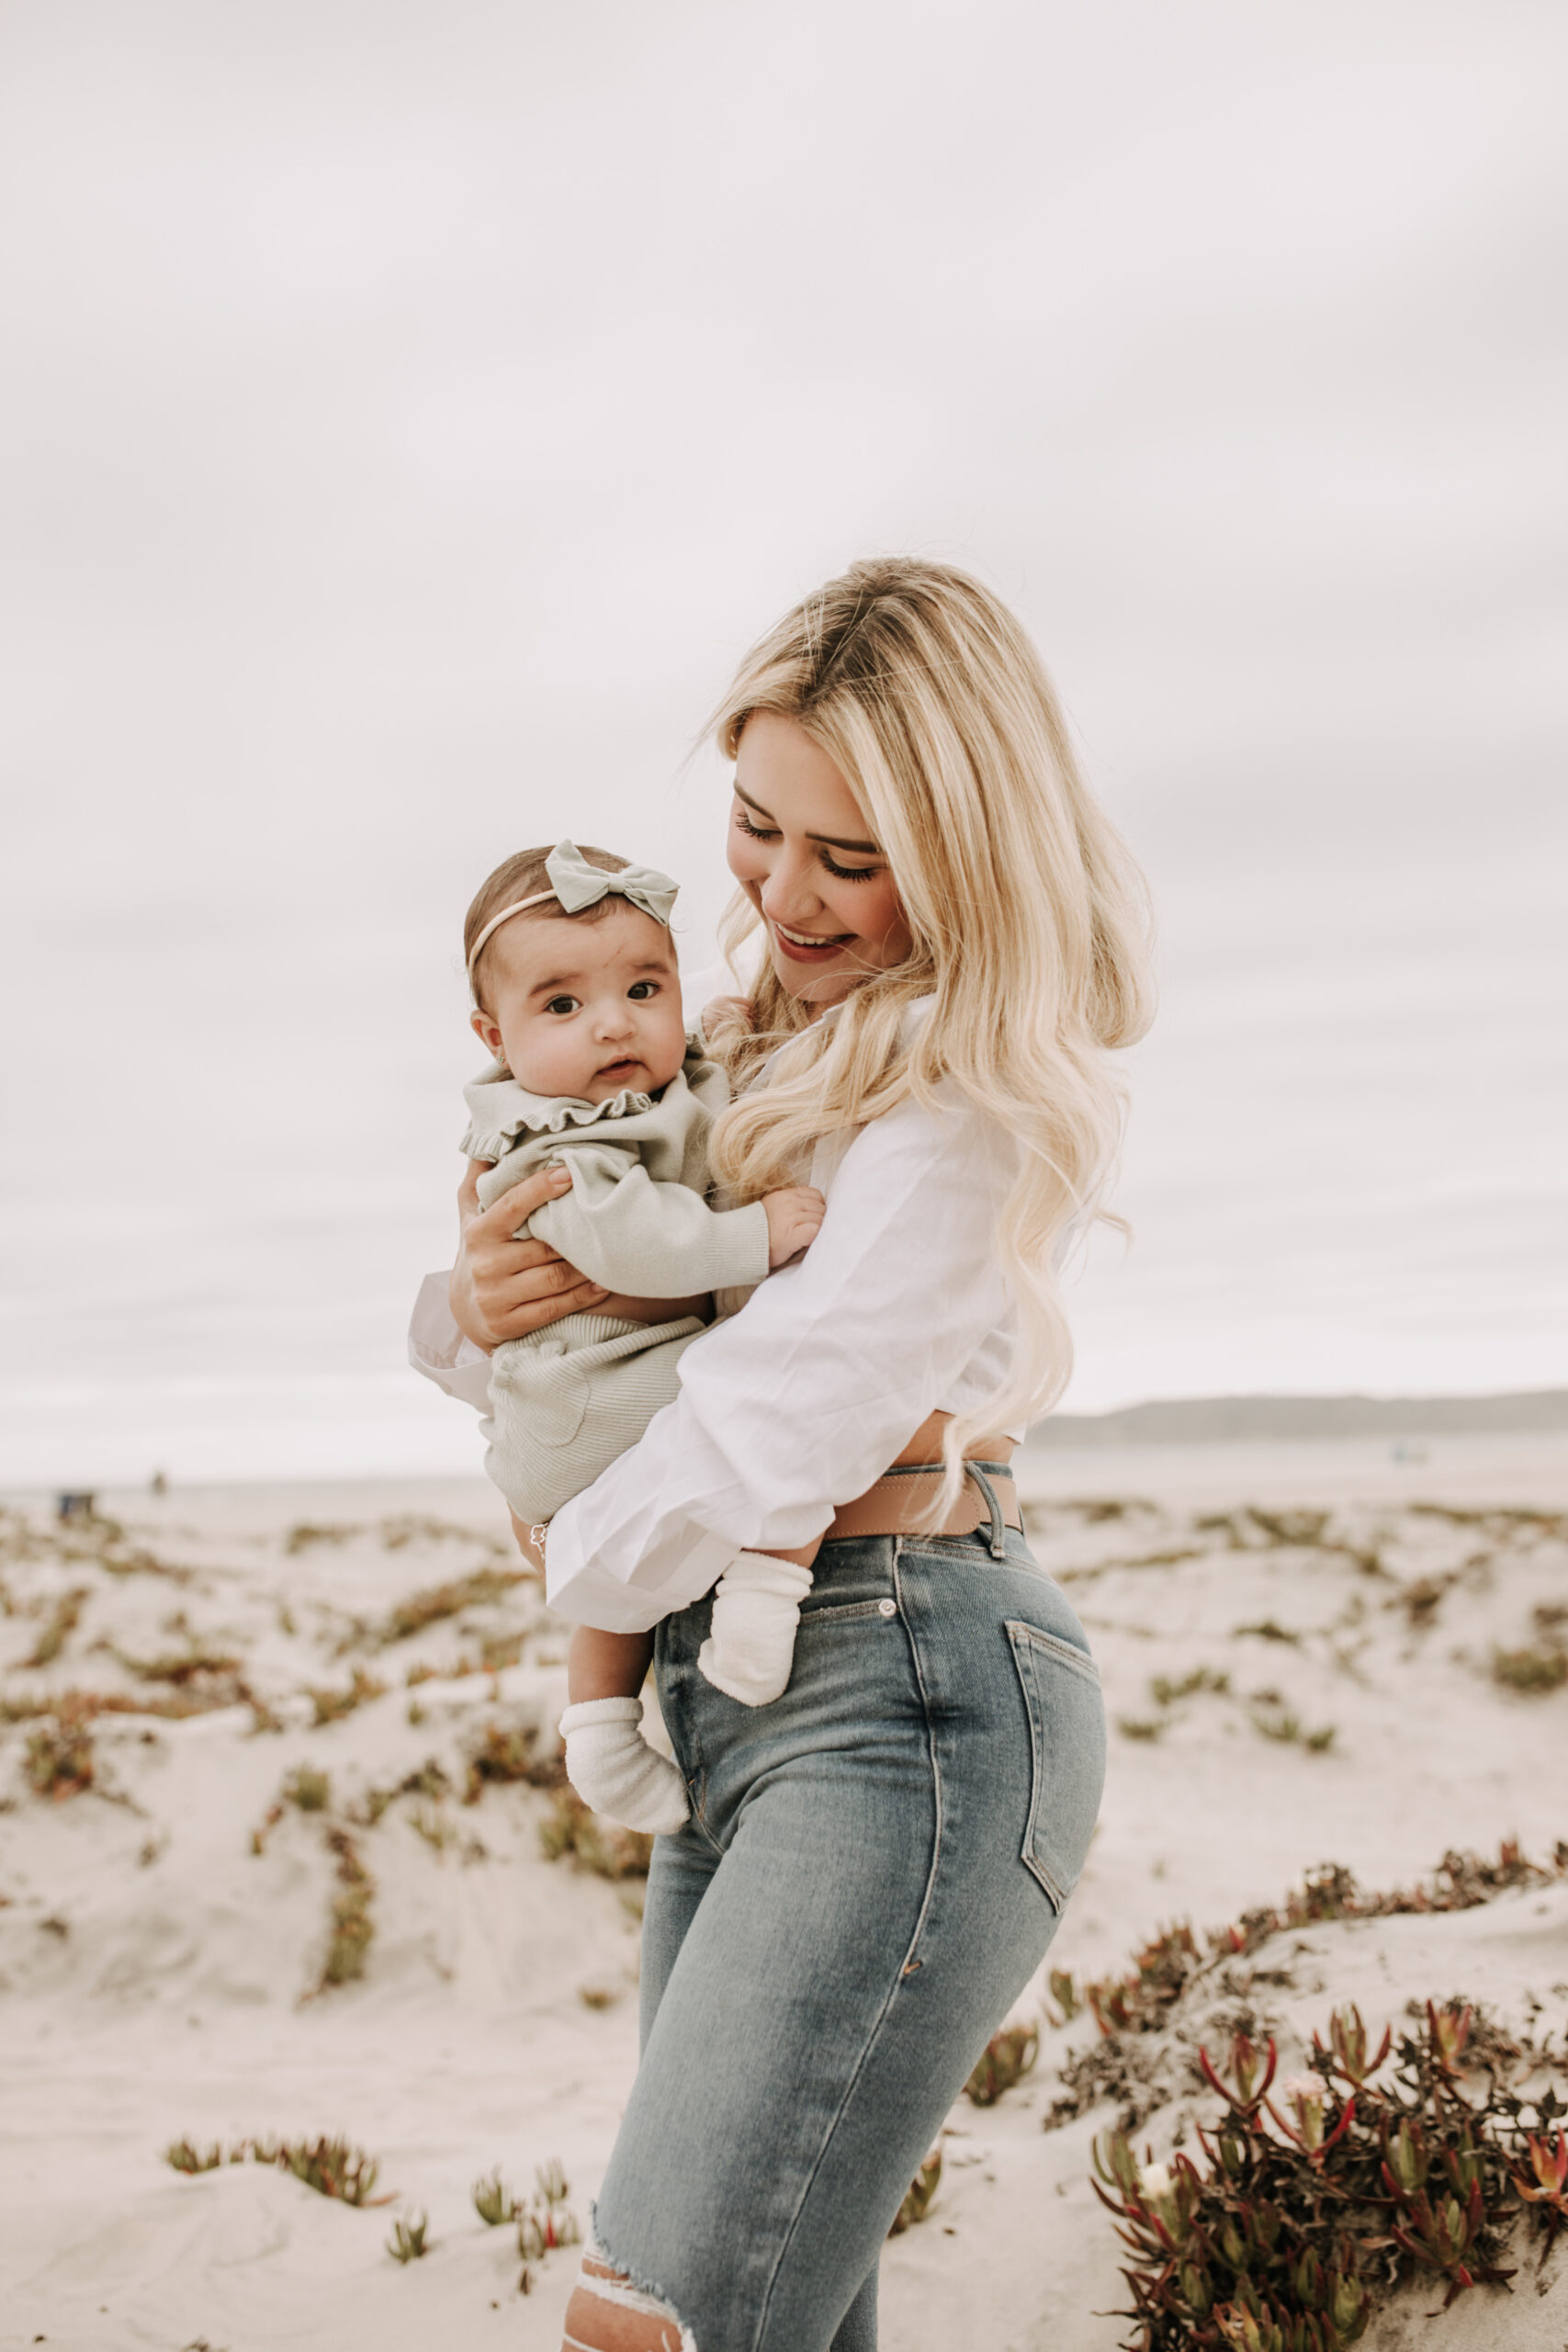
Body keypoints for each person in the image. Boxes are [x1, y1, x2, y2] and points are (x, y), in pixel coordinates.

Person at [417, 556, 1155, 2352]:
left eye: (857, 853)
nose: (789, 892)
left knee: (654, 2318)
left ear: (970, 849)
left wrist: (565, 1550)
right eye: (761, 828)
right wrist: (476, 1298)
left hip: (908, 1693)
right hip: (725, 1697)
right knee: (778, 2320)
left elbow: (772, 1421)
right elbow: (542, 1345)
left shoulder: (959, 1089)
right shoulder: (709, 1039)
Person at [452, 833, 826, 1832]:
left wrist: (721, 1038)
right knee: (779, 1393)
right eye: (563, 1004)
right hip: (586, 1401)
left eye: (645, 989)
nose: (614, 1025)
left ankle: (600, 1728)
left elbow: (701, 1105)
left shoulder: (645, 1092)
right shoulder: (558, 1140)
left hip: (580, 1406)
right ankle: (768, 1582)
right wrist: (754, 1235)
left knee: (611, 1582)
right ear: (496, 1036)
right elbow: (637, 1247)